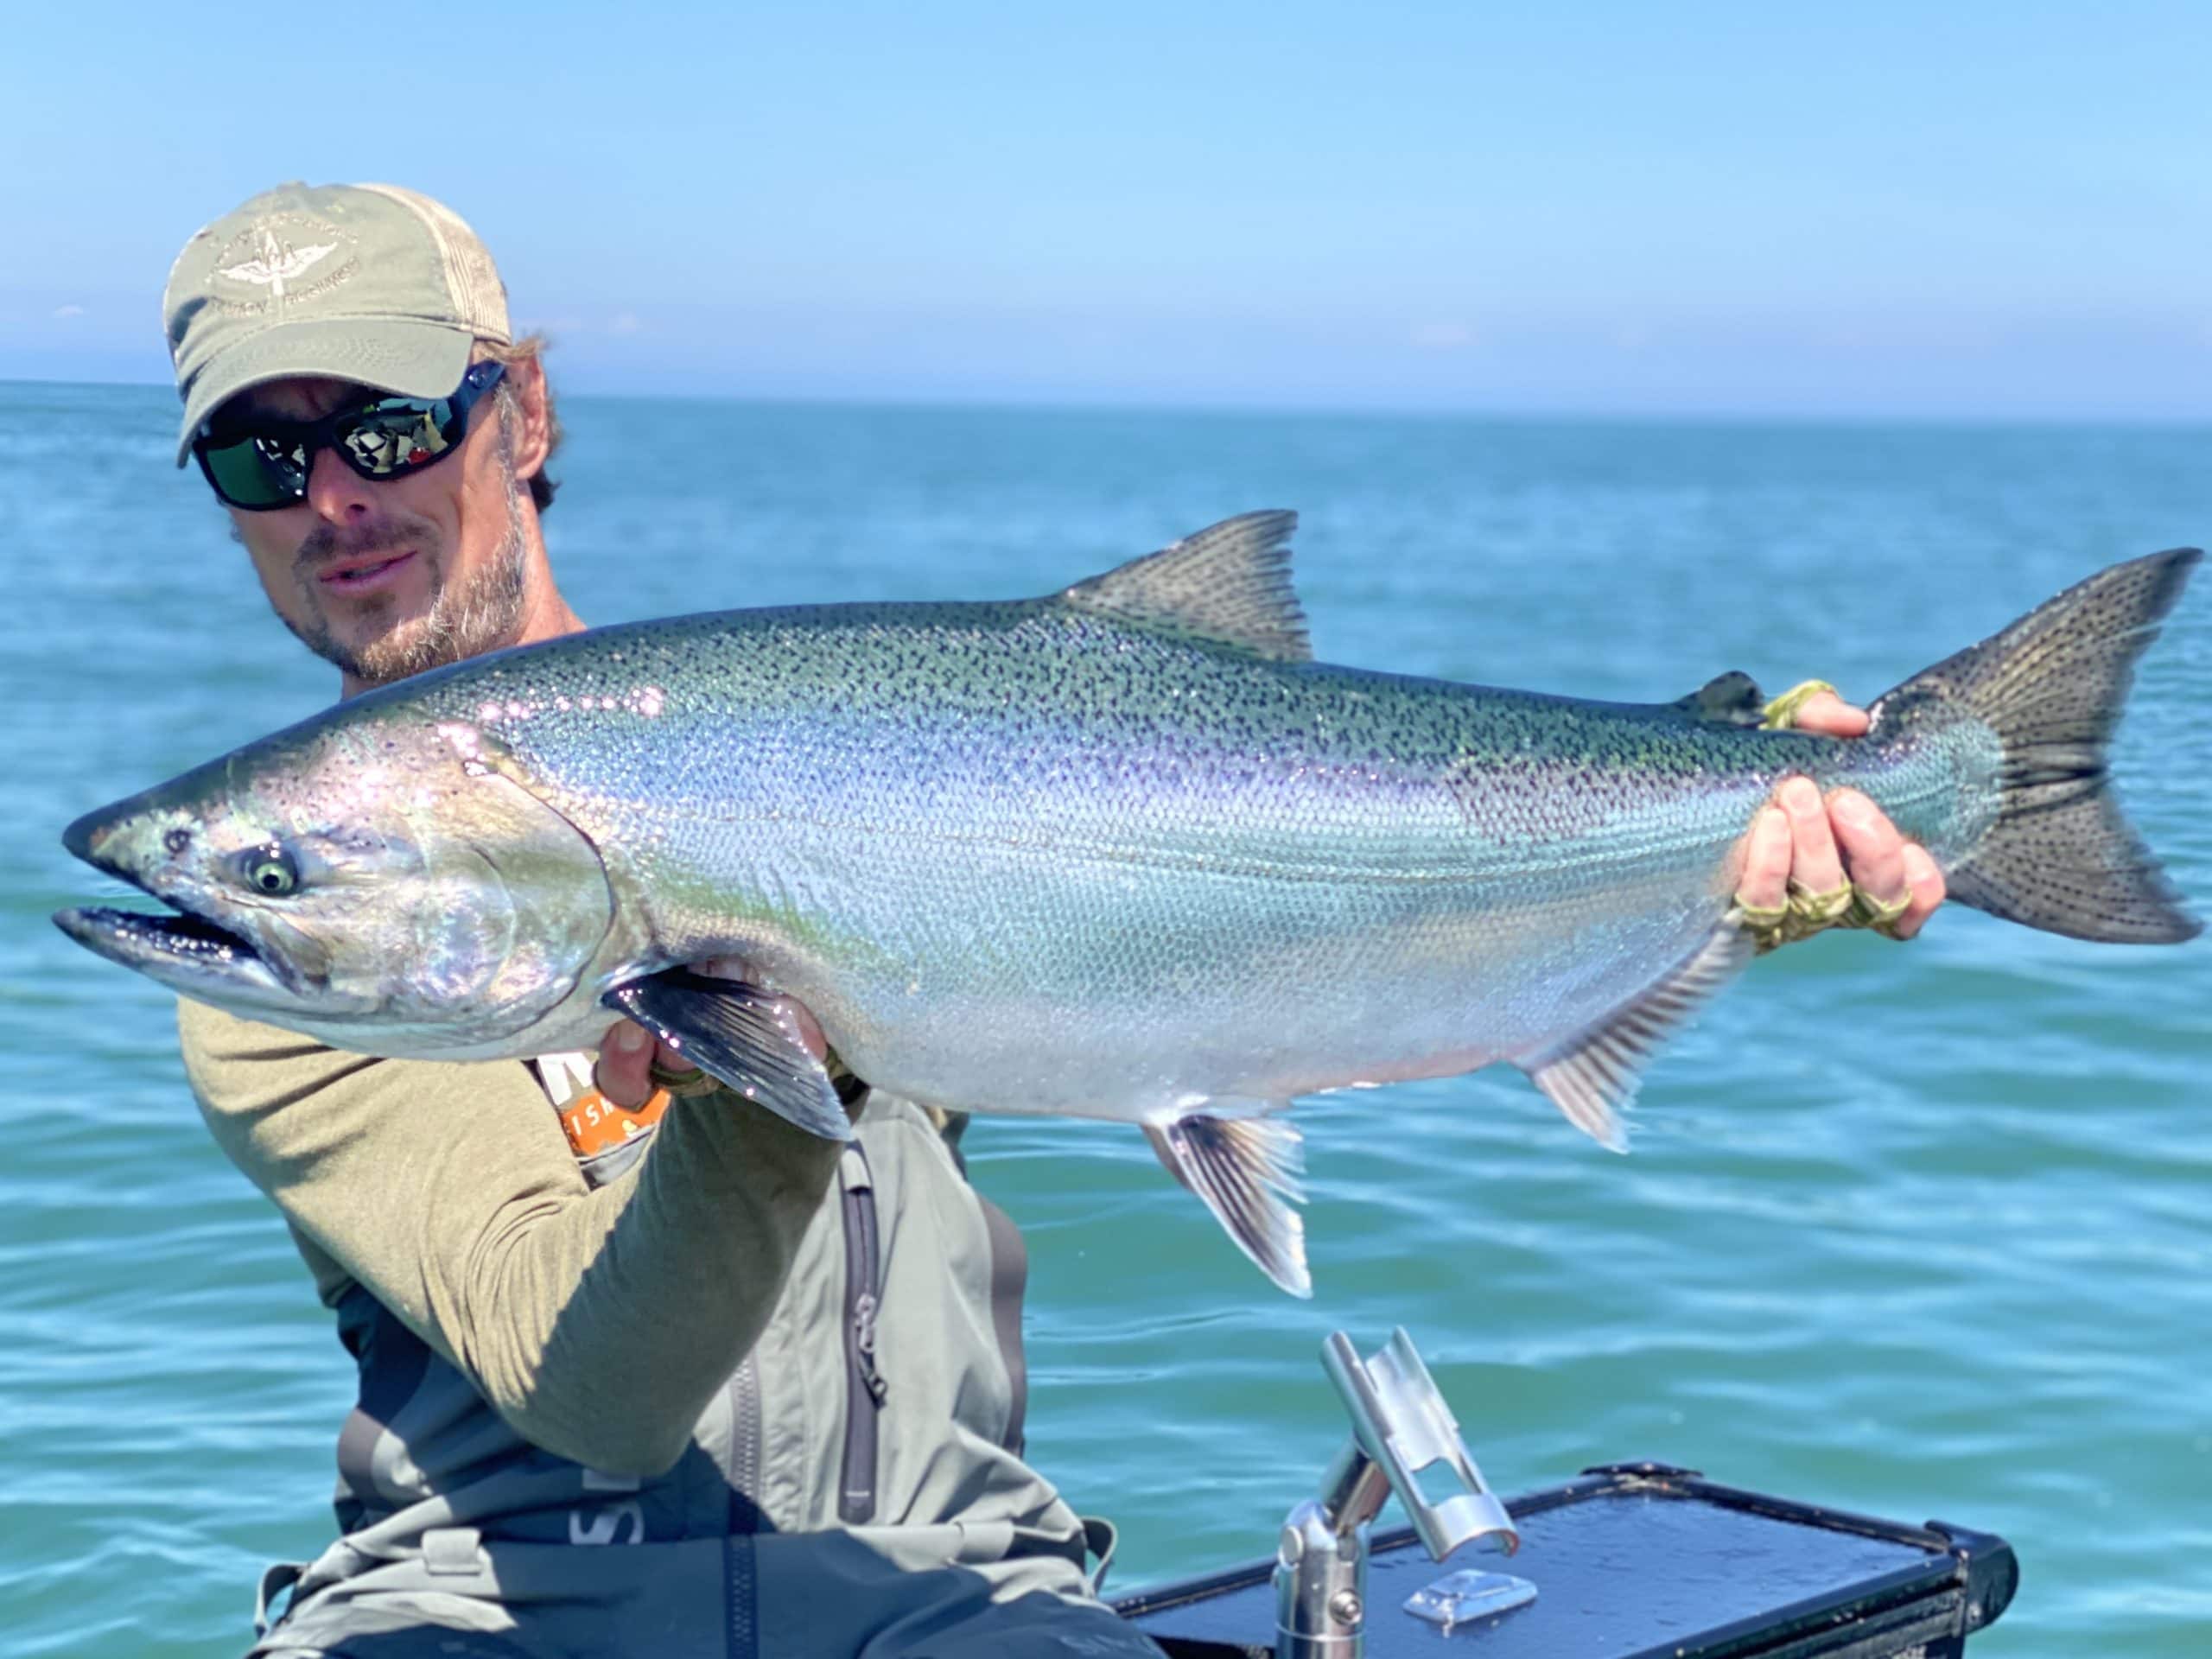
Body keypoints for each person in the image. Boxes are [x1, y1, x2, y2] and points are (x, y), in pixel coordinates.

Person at [159, 181, 1942, 1659]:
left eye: (387, 425)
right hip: (486, 1608)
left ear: (522, 416)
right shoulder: (278, 949)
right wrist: (768, 1056)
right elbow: (600, 1397)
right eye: (258, 458)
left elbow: (1285, 934)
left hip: (948, 1596)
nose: (334, 502)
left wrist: (1705, 849)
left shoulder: (818, 744)